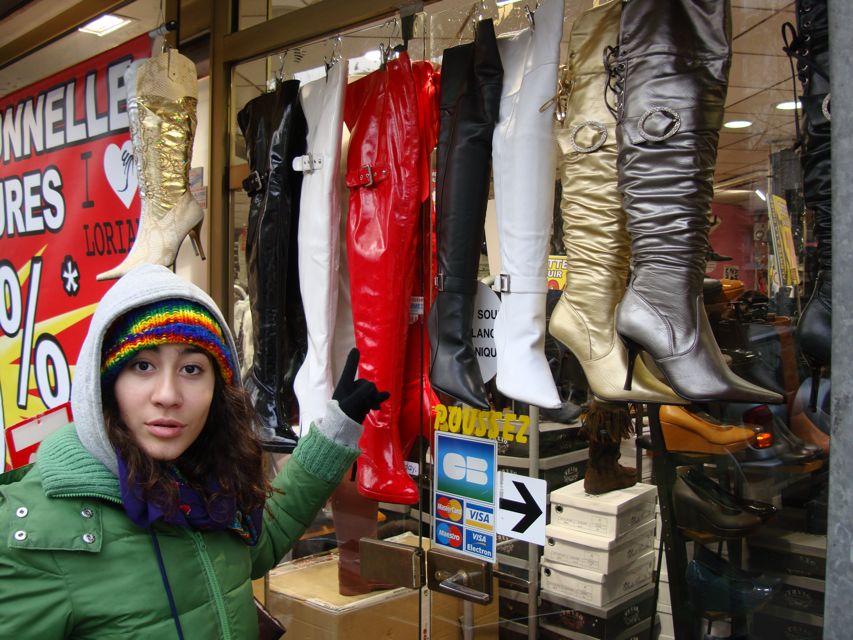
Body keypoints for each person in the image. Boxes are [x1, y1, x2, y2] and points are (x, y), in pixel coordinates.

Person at [0, 263, 388, 639]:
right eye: (142, 365)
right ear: (103, 384)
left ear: (218, 389)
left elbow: (256, 546)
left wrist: (334, 432)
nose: (167, 395)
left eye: (191, 369)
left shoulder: (204, 479)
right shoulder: (34, 536)